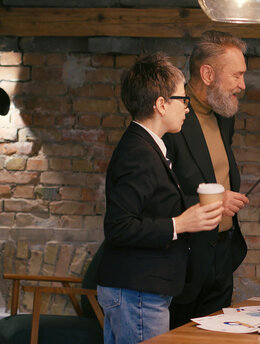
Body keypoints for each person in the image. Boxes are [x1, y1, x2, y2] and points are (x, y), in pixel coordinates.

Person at [97, 53, 224, 343]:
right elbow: (119, 227)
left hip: (141, 289)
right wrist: (180, 224)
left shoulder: (149, 145)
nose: (187, 108)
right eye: (183, 99)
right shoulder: (138, 152)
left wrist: (192, 212)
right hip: (137, 291)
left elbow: (150, 209)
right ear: (161, 104)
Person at [163, 31, 249, 328]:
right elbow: (158, 197)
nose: (242, 85)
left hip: (222, 253)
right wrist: (213, 202)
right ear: (208, 74)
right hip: (184, 260)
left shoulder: (225, 114)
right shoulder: (170, 117)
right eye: (236, 76)